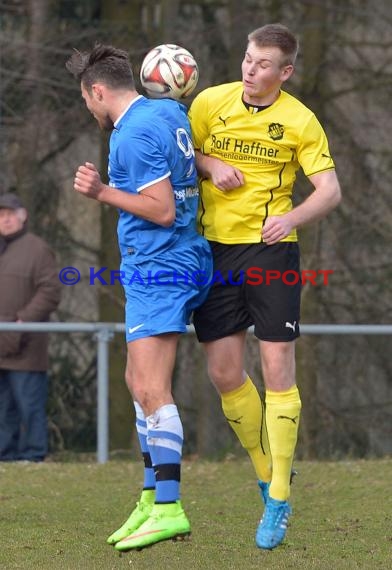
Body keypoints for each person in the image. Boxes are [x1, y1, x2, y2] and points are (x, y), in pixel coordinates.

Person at [188, 23, 342, 550]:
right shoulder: (209, 102)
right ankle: (266, 473)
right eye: (247, 60)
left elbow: (330, 190)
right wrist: (210, 163)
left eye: (262, 64)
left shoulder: (301, 120)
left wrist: (292, 216)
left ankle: (277, 497)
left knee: (277, 367)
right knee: (225, 373)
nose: (250, 71)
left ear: (285, 71)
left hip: (272, 251)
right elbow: (179, 160)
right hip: (213, 251)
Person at [66, 44, 212, 551]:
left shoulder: (131, 135)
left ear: (99, 91)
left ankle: (169, 507)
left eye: (87, 99)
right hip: (175, 260)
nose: (89, 108)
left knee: (152, 387)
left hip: (162, 265)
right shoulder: (167, 108)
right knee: (135, 380)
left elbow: (162, 209)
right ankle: (150, 499)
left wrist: (101, 192)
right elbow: (190, 153)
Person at [0, 192, 61, 462]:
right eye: (1, 215)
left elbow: (50, 291)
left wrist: (23, 320)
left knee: (29, 406)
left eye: (10, 214)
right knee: (4, 409)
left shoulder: (37, 249)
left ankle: (34, 455)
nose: (5, 219)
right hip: (2, 347)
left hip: (26, 348)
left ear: (23, 217)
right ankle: (6, 454)